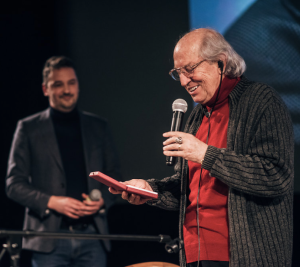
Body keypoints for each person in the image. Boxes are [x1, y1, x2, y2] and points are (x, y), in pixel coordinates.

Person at [110, 28, 294, 267]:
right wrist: (150, 191)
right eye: (178, 73)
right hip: (196, 253)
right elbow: (189, 190)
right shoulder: (197, 116)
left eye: (190, 69)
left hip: (244, 256)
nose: (185, 81)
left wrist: (204, 153)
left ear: (221, 62)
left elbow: (275, 175)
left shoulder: (261, 100)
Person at [6, 56, 121, 267]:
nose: (67, 90)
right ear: (45, 89)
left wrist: (102, 200)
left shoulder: (98, 127)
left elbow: (115, 176)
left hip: (93, 238)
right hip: (49, 239)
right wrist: (52, 202)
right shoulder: (28, 128)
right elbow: (13, 184)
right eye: (58, 84)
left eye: (71, 83)